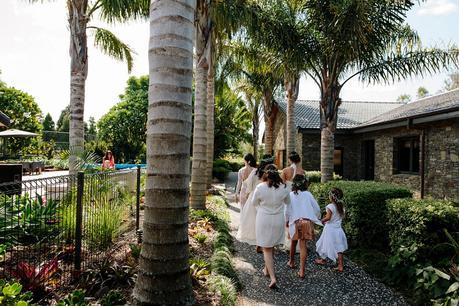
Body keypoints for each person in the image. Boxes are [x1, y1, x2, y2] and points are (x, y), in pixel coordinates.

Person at [252, 164, 290, 289]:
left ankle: (273, 277)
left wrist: (262, 207)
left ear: (265, 174)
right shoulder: (284, 187)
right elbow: (288, 203)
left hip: (264, 219)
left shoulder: (260, 187)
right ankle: (266, 269)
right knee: (271, 245)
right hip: (278, 219)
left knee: (266, 248)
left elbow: (254, 203)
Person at [285, 175, 322, 278]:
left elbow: (287, 210)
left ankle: (291, 262)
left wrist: (286, 220)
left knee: (293, 241)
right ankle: (302, 271)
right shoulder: (308, 194)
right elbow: (317, 209)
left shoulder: (291, 195)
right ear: (304, 183)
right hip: (306, 222)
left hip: (295, 222)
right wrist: (315, 217)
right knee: (303, 246)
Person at [236, 155, 274, 249]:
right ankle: (261, 242)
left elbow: (249, 185)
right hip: (265, 197)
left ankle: (260, 242)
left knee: (256, 220)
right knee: (263, 220)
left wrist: (249, 193)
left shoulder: (255, 172)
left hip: (254, 196)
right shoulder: (269, 173)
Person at [315, 187, 348, 272]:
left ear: (332, 197)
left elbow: (328, 217)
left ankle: (323, 260)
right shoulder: (341, 206)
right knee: (339, 247)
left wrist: (321, 220)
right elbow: (342, 217)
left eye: (329, 195)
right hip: (338, 229)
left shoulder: (330, 206)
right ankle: (340, 265)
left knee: (324, 243)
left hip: (330, 230)